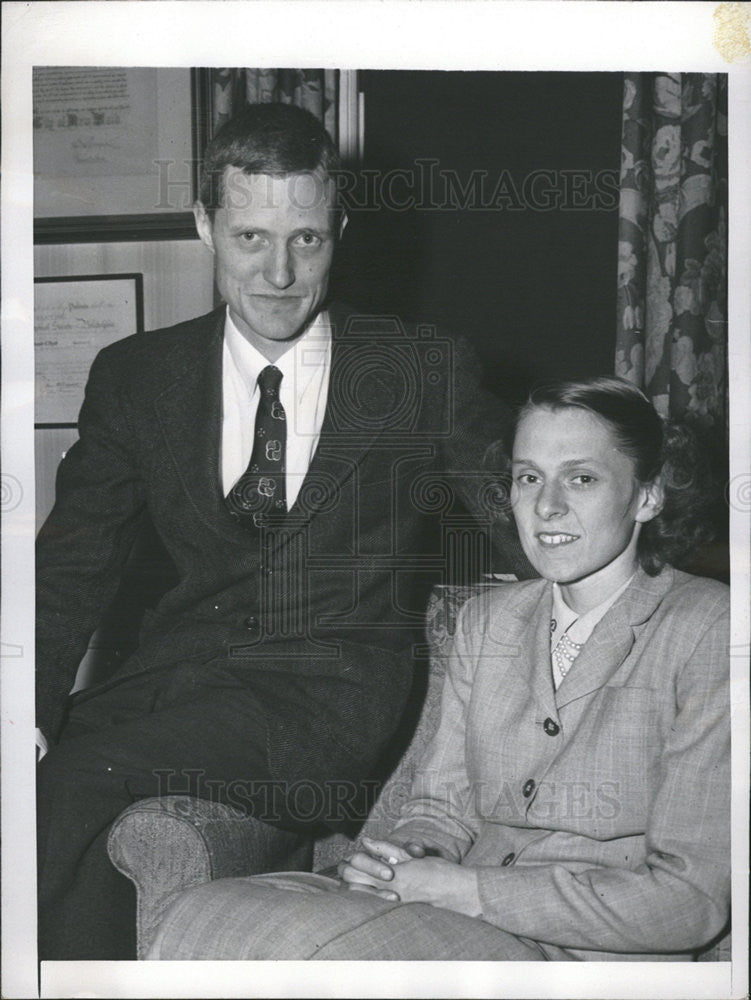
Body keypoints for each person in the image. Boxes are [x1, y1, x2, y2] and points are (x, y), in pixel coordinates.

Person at [35, 102, 531, 959]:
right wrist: (26, 706)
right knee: (60, 809)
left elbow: (523, 512)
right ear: (204, 225)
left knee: (74, 776)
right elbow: (72, 565)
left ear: (339, 225)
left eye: (306, 239)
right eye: (250, 238)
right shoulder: (137, 376)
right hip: (170, 686)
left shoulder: (417, 368)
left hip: (322, 707)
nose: (277, 273)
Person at [147, 376, 730, 962]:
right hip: (457, 919)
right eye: (529, 477)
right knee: (202, 912)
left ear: (648, 496)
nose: (547, 505)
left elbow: (689, 899)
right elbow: (441, 809)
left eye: (581, 477)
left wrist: (470, 891)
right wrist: (403, 856)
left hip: (584, 953)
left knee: (298, 947)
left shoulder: (709, 626)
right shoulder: (487, 620)